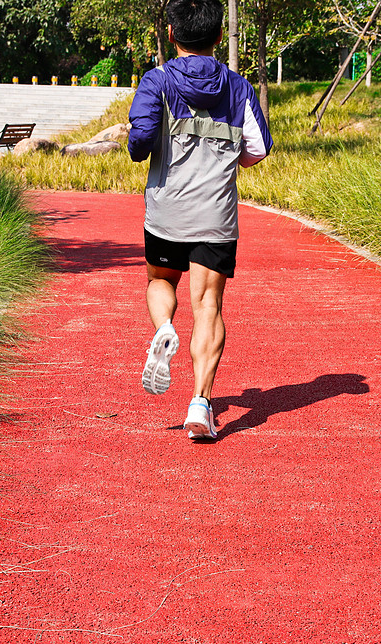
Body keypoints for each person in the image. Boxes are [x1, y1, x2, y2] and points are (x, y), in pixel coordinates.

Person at [127, 0, 272, 441]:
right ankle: (200, 405)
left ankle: (165, 330)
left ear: (172, 34)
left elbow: (140, 141)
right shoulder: (238, 87)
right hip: (216, 215)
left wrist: (140, 146)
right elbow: (257, 151)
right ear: (216, 37)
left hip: (167, 212)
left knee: (161, 281)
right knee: (208, 305)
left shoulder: (157, 81)